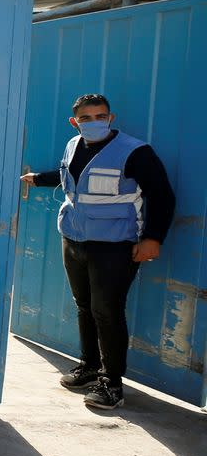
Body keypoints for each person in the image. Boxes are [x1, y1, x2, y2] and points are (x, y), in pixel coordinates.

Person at [20, 93, 175, 410]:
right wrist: (38, 179)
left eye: (100, 116)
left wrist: (152, 238)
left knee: (107, 311)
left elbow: (162, 195)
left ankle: (112, 383)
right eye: (86, 118)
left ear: (111, 118)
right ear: (74, 122)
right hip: (74, 238)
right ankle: (89, 366)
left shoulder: (134, 152)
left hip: (115, 245)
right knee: (84, 306)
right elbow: (71, 179)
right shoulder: (73, 144)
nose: (93, 123)